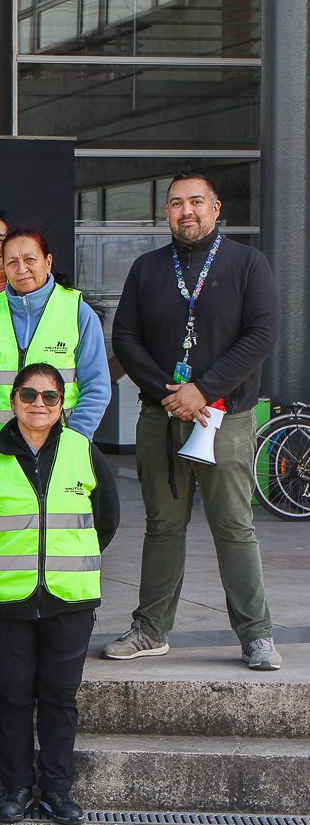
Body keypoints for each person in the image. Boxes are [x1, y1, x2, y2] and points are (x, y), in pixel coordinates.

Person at [105, 170, 283, 670]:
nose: (187, 211)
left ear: (216, 207)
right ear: (167, 213)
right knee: (163, 525)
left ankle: (257, 635)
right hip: (161, 416)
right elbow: (125, 338)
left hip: (225, 418)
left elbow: (263, 333)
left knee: (234, 526)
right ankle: (150, 629)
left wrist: (203, 389)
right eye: (177, 203)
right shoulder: (146, 268)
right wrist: (170, 394)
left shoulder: (249, 264)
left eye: (196, 201)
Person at [0, 364, 120, 825]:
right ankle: (16, 788)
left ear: (63, 404)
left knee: (61, 697)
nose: (38, 404)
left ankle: (58, 791)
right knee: (14, 696)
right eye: (28, 395)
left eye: (49, 396)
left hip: (70, 598)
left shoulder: (84, 451)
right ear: (13, 401)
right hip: (6, 601)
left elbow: (105, 521)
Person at [0, 229, 110, 453]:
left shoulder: (77, 312)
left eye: (30, 259)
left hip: (59, 450)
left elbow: (96, 387)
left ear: (47, 262)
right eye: (12, 262)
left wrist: (73, 443)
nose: (21, 269)